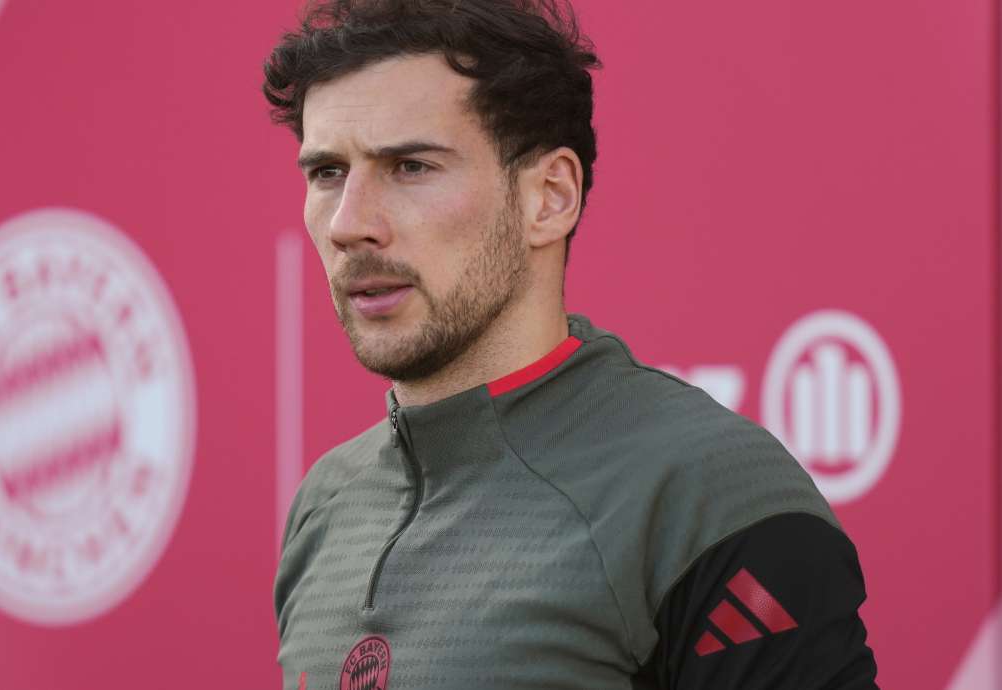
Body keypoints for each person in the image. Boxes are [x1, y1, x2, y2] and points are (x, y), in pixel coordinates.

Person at [262, 1, 879, 688]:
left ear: (550, 197)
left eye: (410, 167)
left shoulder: (707, 496)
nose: (349, 224)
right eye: (326, 174)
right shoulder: (326, 506)